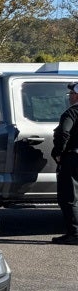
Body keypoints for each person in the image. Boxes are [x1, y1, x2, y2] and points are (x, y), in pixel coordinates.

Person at [50, 81, 78, 245]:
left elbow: (64, 132)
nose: (69, 97)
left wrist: (59, 153)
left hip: (73, 158)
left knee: (69, 197)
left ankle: (74, 234)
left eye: (72, 94)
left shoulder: (72, 112)